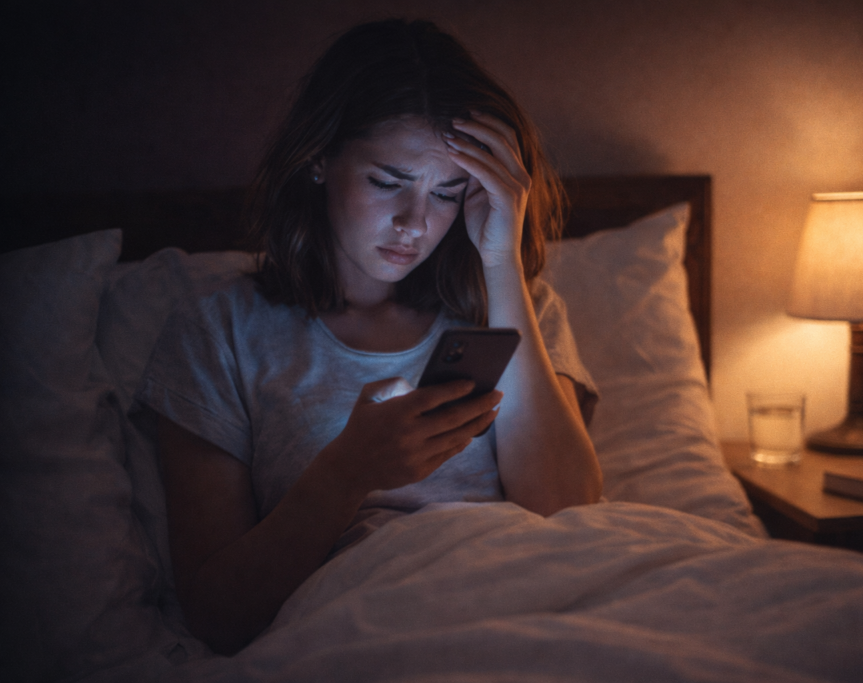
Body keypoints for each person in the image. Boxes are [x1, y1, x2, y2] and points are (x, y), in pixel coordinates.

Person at [137, 18, 602, 655]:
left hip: (532, 596)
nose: (415, 222)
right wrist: (347, 473)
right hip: (372, 624)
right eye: (388, 182)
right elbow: (217, 616)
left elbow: (570, 513)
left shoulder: (518, 304)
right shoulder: (219, 333)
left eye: (447, 192)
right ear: (320, 159)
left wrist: (501, 265)